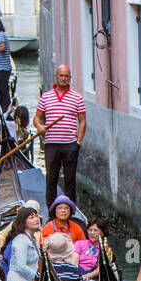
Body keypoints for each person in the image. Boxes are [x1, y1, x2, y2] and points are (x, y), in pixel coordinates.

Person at [34, 66, 86, 207]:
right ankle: (51, 210)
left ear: (70, 78)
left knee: (70, 179)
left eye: (66, 76)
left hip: (70, 144)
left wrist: (78, 142)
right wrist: (40, 127)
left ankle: (70, 210)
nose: (63, 78)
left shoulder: (77, 98)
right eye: (61, 75)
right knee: (51, 179)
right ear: (56, 76)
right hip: (51, 144)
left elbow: (82, 121)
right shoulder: (46, 97)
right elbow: (36, 118)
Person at [5, 205, 43, 281]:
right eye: (31, 217)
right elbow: (21, 266)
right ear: (24, 222)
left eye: (36, 216)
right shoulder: (21, 240)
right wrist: (37, 277)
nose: (36, 219)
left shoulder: (33, 239)